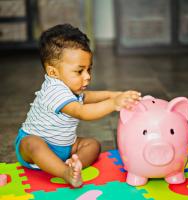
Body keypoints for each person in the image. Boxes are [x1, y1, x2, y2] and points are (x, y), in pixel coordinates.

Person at [15, 24, 141, 187]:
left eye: (89, 69)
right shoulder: (54, 90)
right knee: (33, 144)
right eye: (79, 71)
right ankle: (64, 173)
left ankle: (74, 164)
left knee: (92, 145)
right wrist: (112, 103)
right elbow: (82, 111)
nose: (87, 76)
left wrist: (113, 94)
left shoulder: (70, 87)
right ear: (53, 72)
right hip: (34, 148)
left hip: (65, 146)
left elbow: (87, 97)